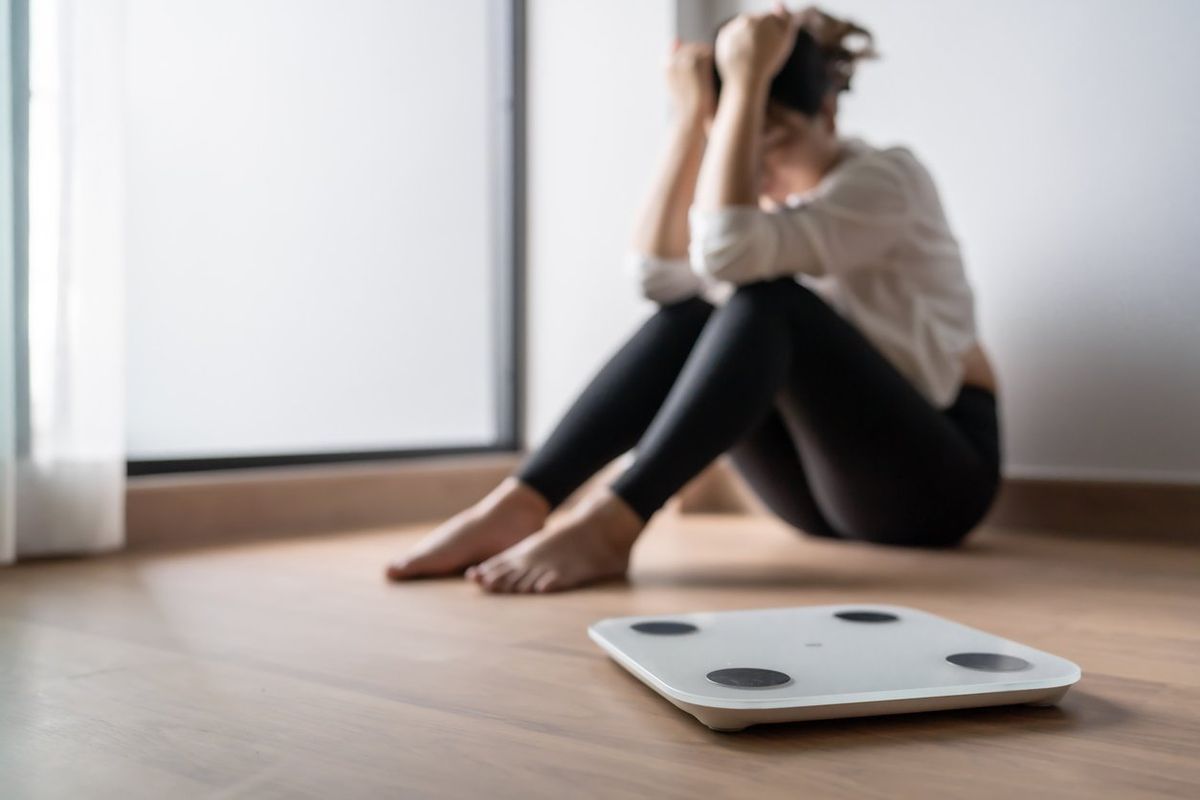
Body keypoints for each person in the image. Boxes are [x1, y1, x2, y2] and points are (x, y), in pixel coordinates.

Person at [386, 4, 1000, 594]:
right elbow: (662, 283)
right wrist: (692, 119)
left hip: (932, 487)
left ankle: (613, 521)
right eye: (736, 138)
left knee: (769, 302)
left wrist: (749, 78)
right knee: (699, 314)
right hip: (821, 494)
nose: (753, 163)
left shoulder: (886, 181)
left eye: (775, 137)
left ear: (829, 116)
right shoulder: (764, 218)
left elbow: (729, 253)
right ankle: (522, 502)